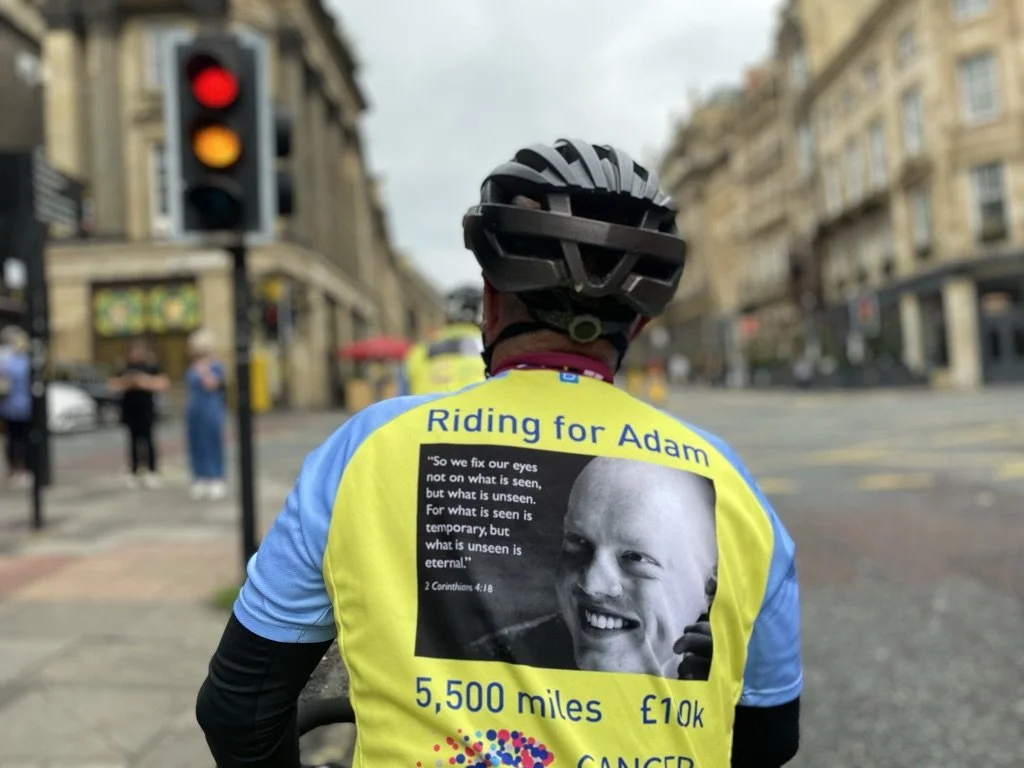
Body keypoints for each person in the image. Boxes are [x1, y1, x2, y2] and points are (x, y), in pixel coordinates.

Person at [196, 139, 801, 768]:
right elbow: (767, 738)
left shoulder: (366, 448)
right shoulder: (728, 481)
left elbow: (239, 708)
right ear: (639, 326)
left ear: (489, 300)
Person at [467, 456, 718, 679]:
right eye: (579, 542)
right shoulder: (487, 662)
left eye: (635, 558)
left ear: (708, 586)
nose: (591, 584)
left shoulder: (731, 668)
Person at [397, 285, 486, 395]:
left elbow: (402, 395)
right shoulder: (491, 348)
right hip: (477, 410)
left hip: (424, 410)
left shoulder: (420, 350)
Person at [108, 340, 170, 489]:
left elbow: (163, 383)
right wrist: (127, 382)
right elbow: (112, 385)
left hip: (146, 410)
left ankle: (152, 471)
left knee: (148, 440)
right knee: (132, 441)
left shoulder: (150, 366)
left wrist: (144, 382)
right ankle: (134, 471)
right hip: (130, 409)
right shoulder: (123, 368)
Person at [185, 329, 228, 501]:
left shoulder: (215, 365)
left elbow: (212, 385)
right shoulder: (192, 366)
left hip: (211, 408)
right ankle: (200, 477)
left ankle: (216, 477)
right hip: (194, 408)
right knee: (196, 442)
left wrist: (204, 370)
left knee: (212, 441)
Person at [0, 326, 32, 490]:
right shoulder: (24, 361)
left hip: (9, 407)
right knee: (22, 439)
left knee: (12, 439)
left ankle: (14, 470)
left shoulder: (6, 359)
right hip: (21, 407)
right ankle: (21, 470)